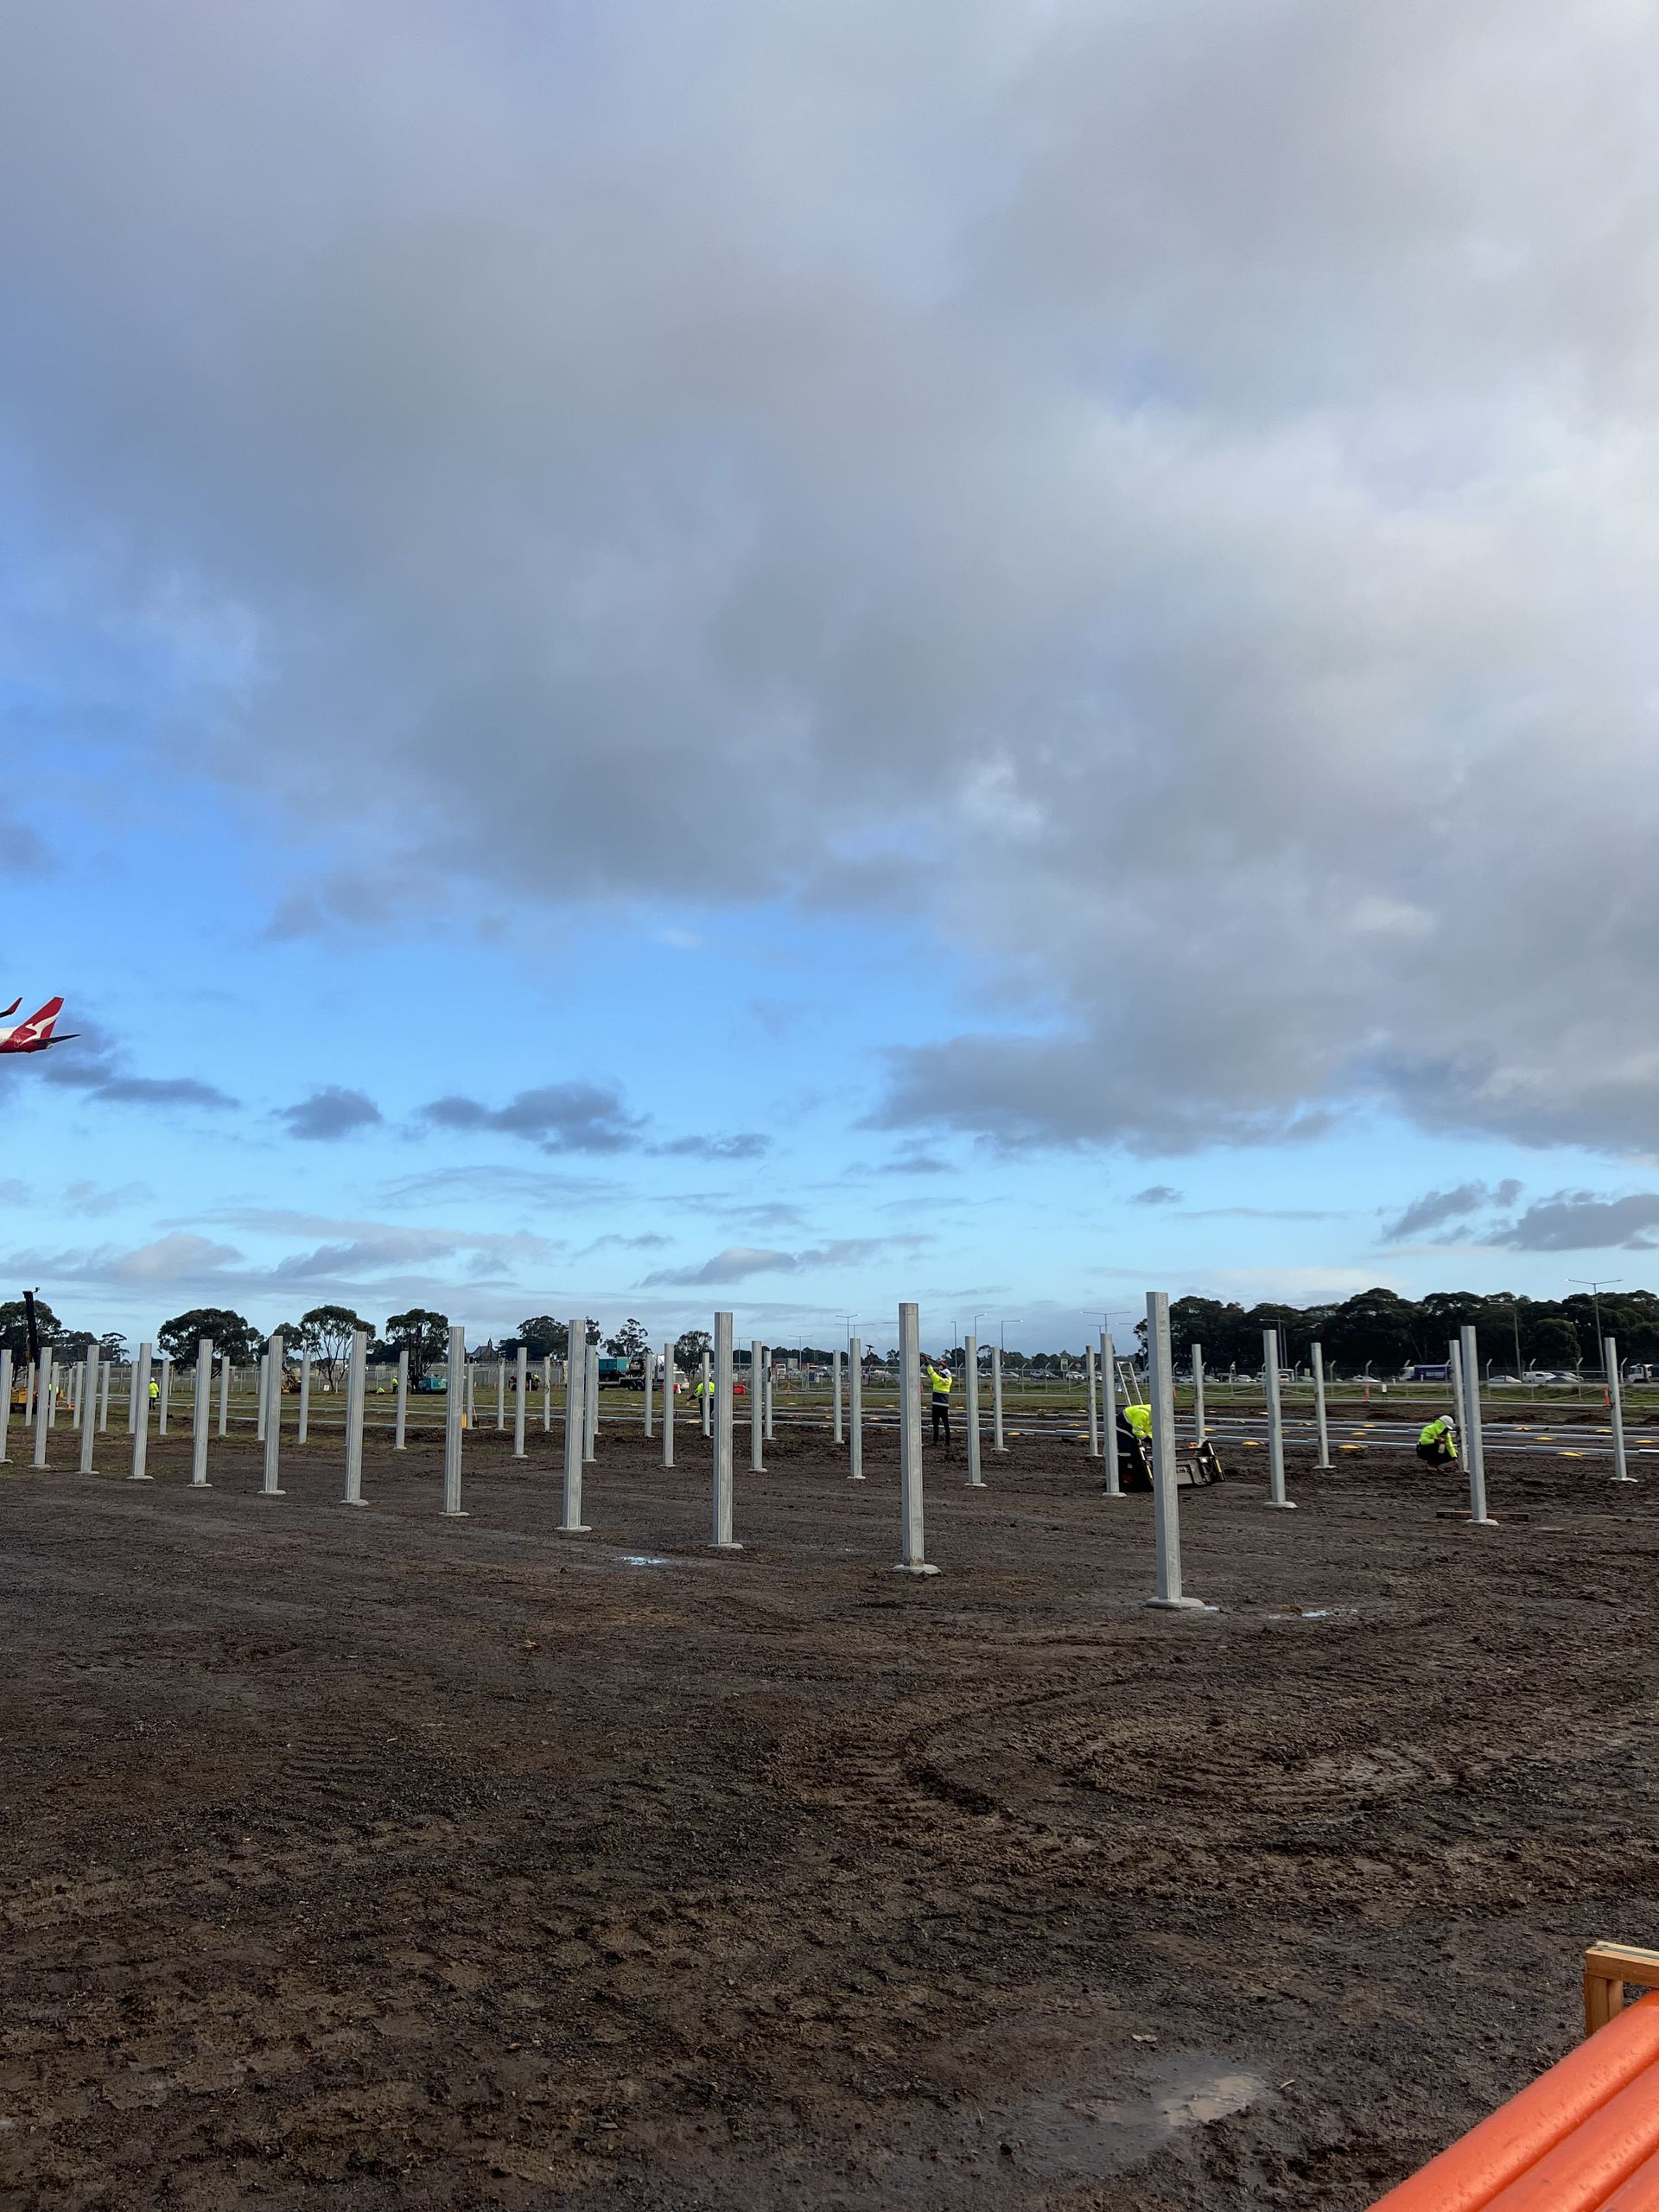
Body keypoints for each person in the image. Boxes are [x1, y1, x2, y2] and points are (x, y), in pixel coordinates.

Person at [925, 1355, 953, 1450]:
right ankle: (948, 1441)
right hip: (945, 1406)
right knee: (946, 1423)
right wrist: (944, 1366)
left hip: (936, 1405)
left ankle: (935, 1441)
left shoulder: (937, 1380)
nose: (940, 1374)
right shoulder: (949, 1381)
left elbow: (931, 1372)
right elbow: (948, 1374)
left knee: (935, 1424)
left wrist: (927, 1362)